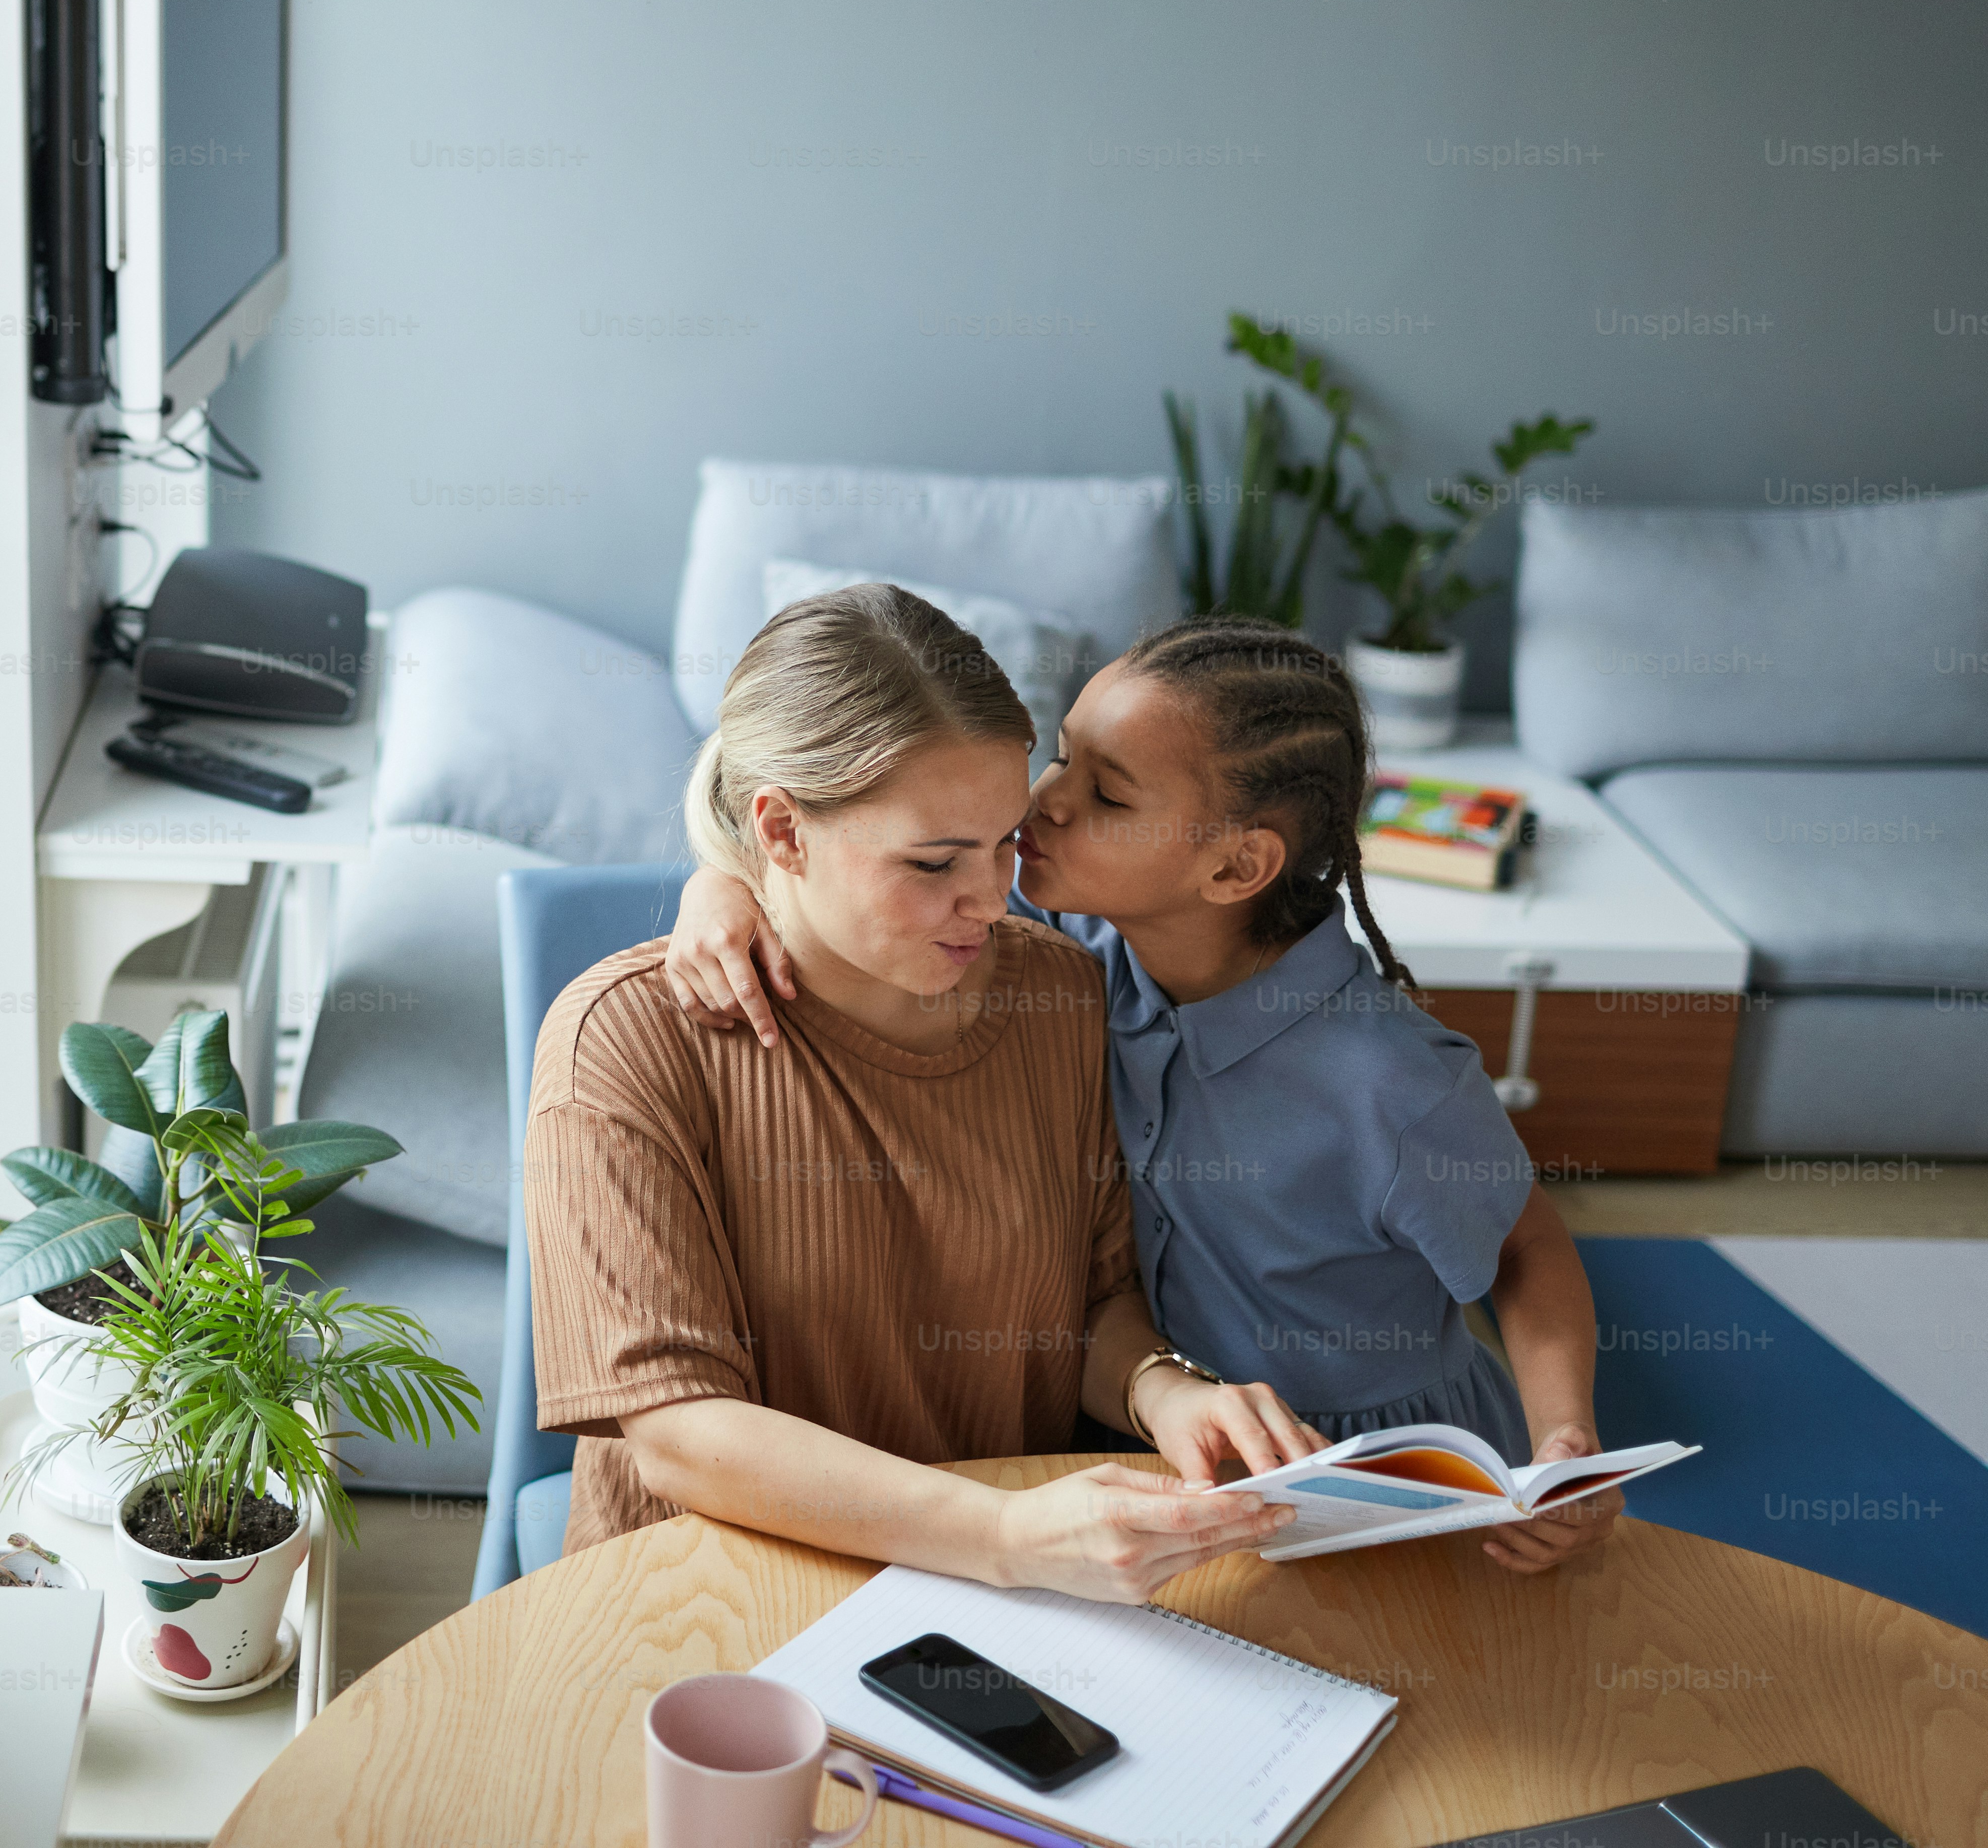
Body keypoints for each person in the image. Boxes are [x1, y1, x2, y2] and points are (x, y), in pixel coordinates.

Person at [664, 613, 1619, 1575]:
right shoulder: (1065, 941)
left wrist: (1566, 1441)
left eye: (1107, 796)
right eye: (1066, 755)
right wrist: (726, 883)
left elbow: (1526, 1248)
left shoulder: (1394, 1083)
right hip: (1156, 1433)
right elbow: (826, 841)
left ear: (1235, 866)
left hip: (1384, 1477)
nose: (1043, 803)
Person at [524, 585, 1314, 1605]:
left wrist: (1163, 1389)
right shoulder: (624, 1042)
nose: (991, 900)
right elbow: (679, 1434)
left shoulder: (1058, 993)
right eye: (934, 862)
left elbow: (1089, 1302)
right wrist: (1000, 1532)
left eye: (1003, 844)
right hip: (709, 1600)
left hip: (1003, 1594)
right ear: (781, 829)